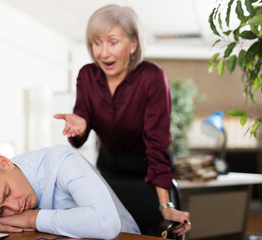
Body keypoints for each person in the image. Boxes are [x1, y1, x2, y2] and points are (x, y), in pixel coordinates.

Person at [53, 4, 191, 236]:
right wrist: (80, 126)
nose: (103, 53)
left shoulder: (152, 77)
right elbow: (79, 135)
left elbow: (157, 145)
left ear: (133, 44)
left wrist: (165, 206)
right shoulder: (87, 75)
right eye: (97, 43)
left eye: (113, 42)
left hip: (147, 173)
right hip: (109, 170)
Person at [0, 145, 140, 239]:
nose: (13, 208)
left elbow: (107, 224)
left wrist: (32, 218)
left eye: (7, 193)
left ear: (4, 162)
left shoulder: (62, 161)